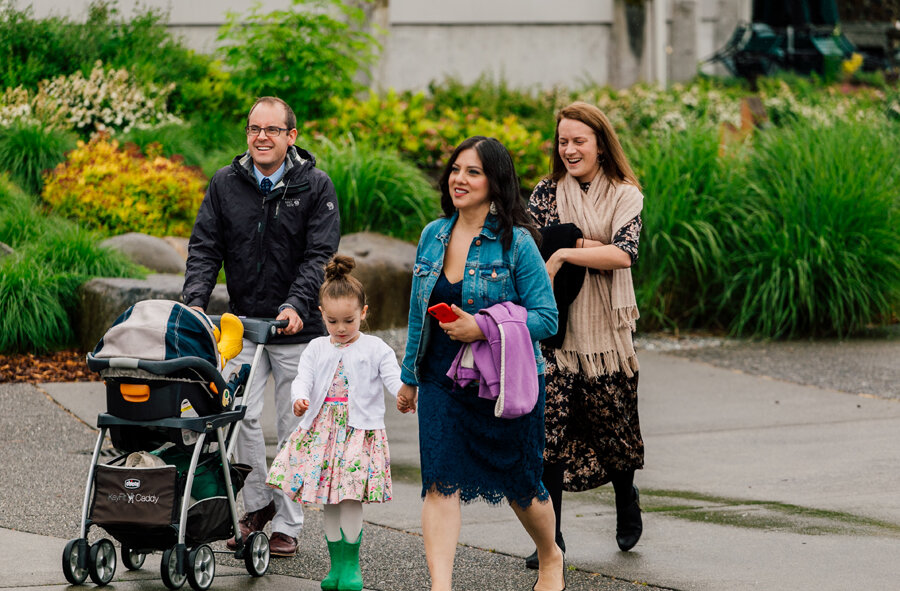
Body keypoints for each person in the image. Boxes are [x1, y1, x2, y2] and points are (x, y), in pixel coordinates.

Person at [396, 136, 565, 591]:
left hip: (502, 384)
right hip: (440, 379)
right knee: (438, 484)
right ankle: (441, 586)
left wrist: (484, 328)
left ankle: (551, 556)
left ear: (495, 182)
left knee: (522, 486)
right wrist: (409, 377)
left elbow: (547, 318)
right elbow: (418, 313)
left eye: (473, 172)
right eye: (456, 169)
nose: (459, 179)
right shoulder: (433, 235)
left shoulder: (518, 243)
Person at [182, 96, 340, 557]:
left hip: (300, 328)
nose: (261, 137)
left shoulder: (316, 186)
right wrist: (193, 305)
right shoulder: (225, 183)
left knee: (294, 425)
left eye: (272, 130)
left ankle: (289, 522)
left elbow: (319, 256)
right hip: (243, 326)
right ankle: (254, 509)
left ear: (292, 136)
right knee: (239, 417)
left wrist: (296, 304)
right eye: (254, 129)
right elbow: (205, 248)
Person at [524, 101, 645, 568]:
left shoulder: (625, 194)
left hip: (606, 336)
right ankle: (550, 539)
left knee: (614, 431)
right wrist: (582, 244)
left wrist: (566, 252)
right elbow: (531, 243)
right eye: (563, 141)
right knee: (548, 434)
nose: (570, 149)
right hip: (554, 329)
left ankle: (626, 495)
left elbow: (625, 254)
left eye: (579, 141)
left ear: (600, 144)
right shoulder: (546, 192)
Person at [266, 254, 402, 591]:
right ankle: (335, 566)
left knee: (350, 496)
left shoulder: (376, 347)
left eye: (349, 321)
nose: (340, 329)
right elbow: (303, 379)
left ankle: (351, 566)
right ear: (321, 315)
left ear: (364, 313)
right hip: (322, 430)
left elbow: (394, 379)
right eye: (332, 321)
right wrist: (299, 398)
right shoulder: (316, 347)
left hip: (359, 431)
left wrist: (404, 395)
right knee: (327, 498)